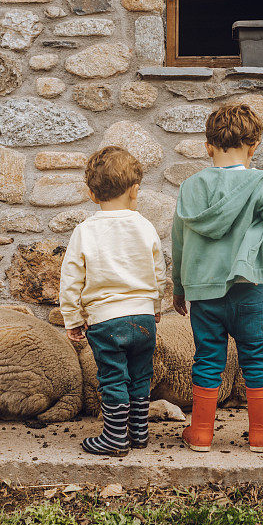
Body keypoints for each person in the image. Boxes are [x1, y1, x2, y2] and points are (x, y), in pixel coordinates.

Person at [172, 104, 263, 453]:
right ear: (253, 145)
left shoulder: (190, 187)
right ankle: (260, 434)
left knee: (207, 358)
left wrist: (179, 287)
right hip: (249, 290)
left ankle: (200, 434)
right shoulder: (261, 183)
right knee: (256, 357)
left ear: (208, 146)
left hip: (204, 294)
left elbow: (179, 241)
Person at [59, 146, 167, 457]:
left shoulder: (85, 231)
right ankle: (138, 433)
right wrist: (154, 307)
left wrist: (73, 319)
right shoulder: (145, 226)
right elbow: (158, 271)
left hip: (106, 321)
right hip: (144, 318)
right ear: (135, 191)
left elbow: (71, 279)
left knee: (112, 377)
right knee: (140, 374)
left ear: (92, 194)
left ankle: (115, 438)